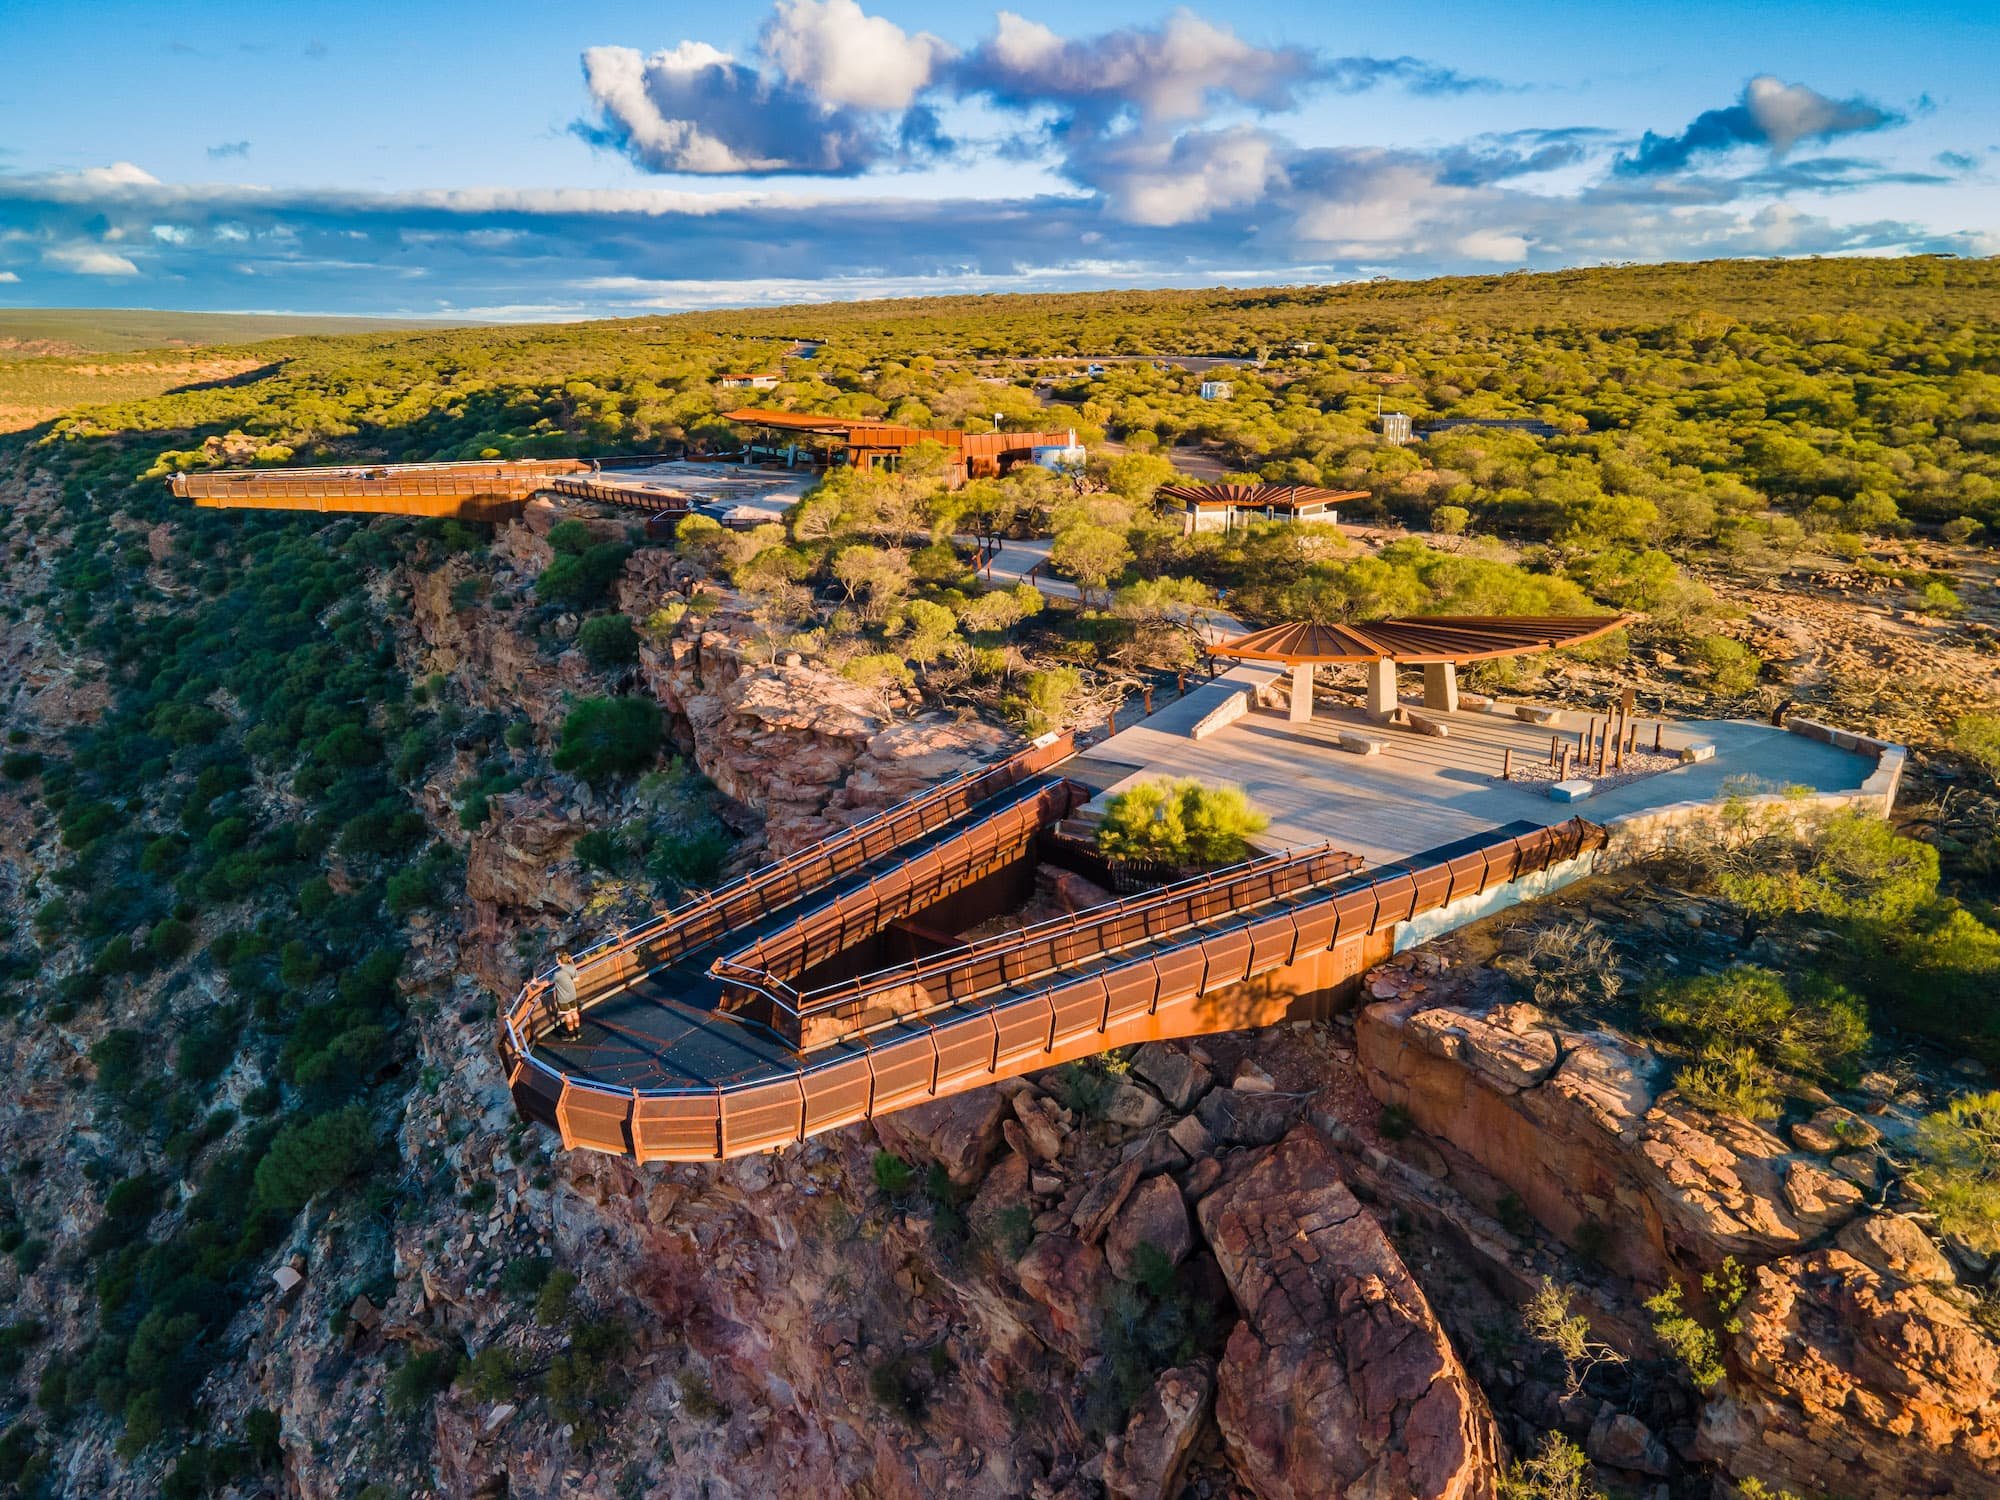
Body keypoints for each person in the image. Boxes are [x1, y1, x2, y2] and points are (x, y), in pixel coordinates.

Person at [552, 951, 582, 1035]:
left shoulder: (557, 974)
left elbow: (548, 983)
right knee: (574, 1013)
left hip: (563, 999)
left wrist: (536, 983)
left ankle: (572, 1034)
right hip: (572, 995)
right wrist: (571, 961)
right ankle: (578, 1032)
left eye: (557, 959)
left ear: (559, 961)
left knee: (568, 1016)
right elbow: (577, 978)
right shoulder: (572, 967)